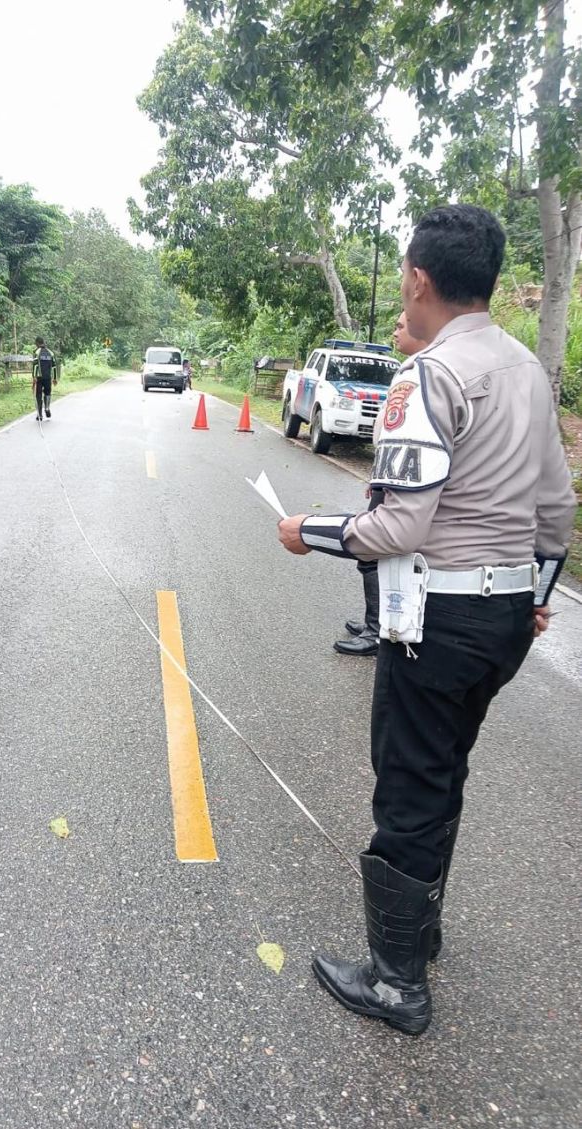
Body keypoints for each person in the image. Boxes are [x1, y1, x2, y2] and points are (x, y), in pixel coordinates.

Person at [277, 204, 576, 1036]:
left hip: (438, 618)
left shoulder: (428, 376)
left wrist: (312, 531)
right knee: (446, 768)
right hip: (508, 619)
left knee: (410, 781)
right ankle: (422, 928)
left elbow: (400, 525)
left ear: (417, 277)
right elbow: (556, 510)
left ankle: (396, 981)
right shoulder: (524, 370)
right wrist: (535, 593)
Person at [334, 313, 429, 656]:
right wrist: (376, 476)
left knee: (374, 554)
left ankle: (379, 629)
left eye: (401, 326)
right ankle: (375, 620)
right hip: (386, 476)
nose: (395, 331)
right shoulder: (407, 371)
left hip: (398, 482)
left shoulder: (424, 374)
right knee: (374, 558)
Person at [32, 337, 58, 421]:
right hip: (48, 377)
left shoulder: (37, 352)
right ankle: (47, 408)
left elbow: (35, 365)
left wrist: (34, 377)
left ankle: (39, 415)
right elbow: (54, 366)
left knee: (38, 395)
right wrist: (54, 378)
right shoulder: (51, 353)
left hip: (39, 378)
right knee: (47, 393)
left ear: (37, 343)